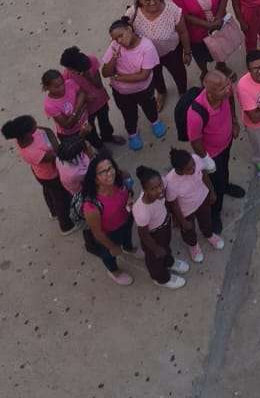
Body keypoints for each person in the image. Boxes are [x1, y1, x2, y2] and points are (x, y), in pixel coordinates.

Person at [185, 67, 245, 233]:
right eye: (222, 88)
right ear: (209, 92)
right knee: (214, 184)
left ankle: (225, 186)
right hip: (212, 155)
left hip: (226, 144)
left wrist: (233, 121)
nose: (228, 89)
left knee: (224, 171)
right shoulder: (195, 114)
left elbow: (231, 99)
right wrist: (205, 159)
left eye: (227, 84)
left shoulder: (226, 93)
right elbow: (195, 140)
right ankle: (214, 212)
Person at [2, 115, 74, 233]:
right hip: (51, 176)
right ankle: (66, 226)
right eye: (34, 126)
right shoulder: (31, 152)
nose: (37, 126)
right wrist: (50, 133)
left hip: (41, 173)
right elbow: (56, 153)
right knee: (60, 198)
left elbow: (44, 131)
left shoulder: (26, 136)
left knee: (48, 192)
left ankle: (53, 211)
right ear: (26, 134)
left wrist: (45, 132)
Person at [101, 16, 164, 150]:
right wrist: (113, 58)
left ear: (129, 29)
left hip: (143, 89)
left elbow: (143, 75)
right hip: (121, 92)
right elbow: (105, 73)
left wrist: (118, 76)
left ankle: (155, 122)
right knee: (128, 114)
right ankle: (133, 134)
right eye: (115, 39)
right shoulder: (115, 47)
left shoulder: (147, 47)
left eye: (121, 35)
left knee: (150, 107)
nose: (119, 41)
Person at [80, 151, 136, 284]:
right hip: (109, 233)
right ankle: (113, 271)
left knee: (127, 235)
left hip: (126, 219)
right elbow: (98, 233)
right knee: (108, 255)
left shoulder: (121, 178)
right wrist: (111, 247)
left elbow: (129, 187)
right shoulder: (91, 206)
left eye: (110, 168)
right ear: (95, 178)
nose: (109, 173)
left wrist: (130, 197)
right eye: (102, 172)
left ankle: (128, 248)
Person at [132, 166, 191, 289]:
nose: (159, 190)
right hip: (153, 235)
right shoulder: (141, 210)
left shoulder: (161, 184)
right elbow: (144, 234)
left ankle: (168, 262)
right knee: (155, 259)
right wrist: (155, 248)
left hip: (164, 224)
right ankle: (161, 278)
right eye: (153, 189)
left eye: (159, 185)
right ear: (144, 189)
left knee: (165, 247)